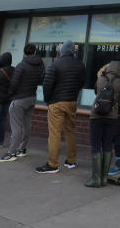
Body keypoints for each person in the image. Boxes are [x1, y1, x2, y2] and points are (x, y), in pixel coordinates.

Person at [36, 41, 85, 173]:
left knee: (54, 133)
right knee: (71, 131)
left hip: (56, 102)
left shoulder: (55, 64)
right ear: (73, 51)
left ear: (62, 51)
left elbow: (47, 84)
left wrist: (48, 100)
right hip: (72, 101)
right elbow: (81, 83)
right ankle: (71, 160)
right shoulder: (80, 65)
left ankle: (52, 164)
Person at [0, 44, 45, 163]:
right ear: (34, 52)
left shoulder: (21, 65)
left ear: (24, 53)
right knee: (26, 124)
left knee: (16, 126)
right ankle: (22, 149)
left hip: (19, 99)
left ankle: (11, 153)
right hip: (32, 97)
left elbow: (14, 84)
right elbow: (41, 79)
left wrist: (10, 95)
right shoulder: (41, 65)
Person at [85, 60, 120, 188]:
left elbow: (96, 93)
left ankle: (96, 179)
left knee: (96, 145)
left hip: (96, 115)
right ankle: (104, 178)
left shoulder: (101, 79)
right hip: (112, 117)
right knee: (108, 145)